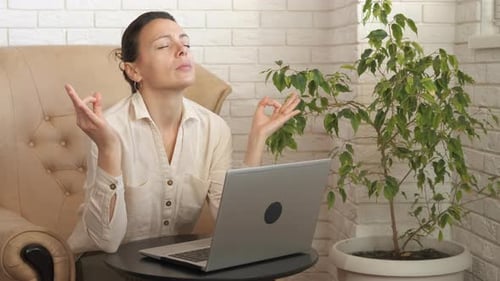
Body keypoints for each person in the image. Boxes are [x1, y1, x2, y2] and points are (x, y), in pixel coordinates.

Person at [66, 11, 300, 255]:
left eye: (185, 43)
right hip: (102, 263)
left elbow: (236, 226)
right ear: (133, 71)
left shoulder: (214, 128)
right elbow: (107, 242)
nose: (182, 50)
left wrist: (256, 140)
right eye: (164, 45)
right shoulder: (108, 129)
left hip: (167, 262)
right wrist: (108, 148)